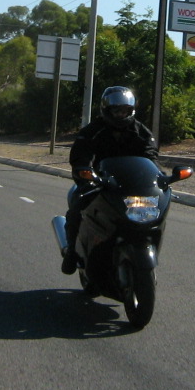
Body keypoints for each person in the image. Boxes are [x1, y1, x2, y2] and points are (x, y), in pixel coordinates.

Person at [61, 86, 158, 274]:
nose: (121, 115)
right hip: (100, 183)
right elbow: (81, 155)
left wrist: (157, 176)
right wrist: (85, 172)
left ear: (131, 110)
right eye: (117, 111)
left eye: (125, 111)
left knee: (153, 207)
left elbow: (150, 155)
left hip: (131, 185)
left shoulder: (141, 131)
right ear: (107, 110)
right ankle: (71, 252)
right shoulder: (92, 130)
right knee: (76, 206)